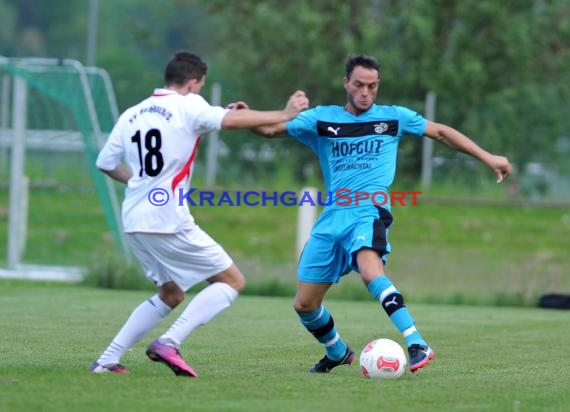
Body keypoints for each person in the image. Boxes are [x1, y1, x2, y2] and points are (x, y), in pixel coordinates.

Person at [254, 55, 512, 374]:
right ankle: (336, 351)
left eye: (372, 86)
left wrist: (488, 157)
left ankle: (416, 341)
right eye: (359, 85)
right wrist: (254, 114)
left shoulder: (394, 119)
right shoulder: (322, 119)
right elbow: (269, 131)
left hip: (369, 210)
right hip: (333, 216)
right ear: (346, 83)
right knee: (305, 305)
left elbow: (442, 132)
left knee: (369, 269)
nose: (365, 92)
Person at [91, 51, 309, 377]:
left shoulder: (132, 114)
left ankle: (107, 360)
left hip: (135, 219)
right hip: (167, 219)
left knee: (171, 294)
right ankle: (170, 342)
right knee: (232, 280)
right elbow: (231, 122)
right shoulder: (188, 105)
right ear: (192, 83)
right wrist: (285, 112)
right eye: (201, 87)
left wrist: (137, 183)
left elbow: (105, 163)